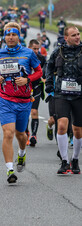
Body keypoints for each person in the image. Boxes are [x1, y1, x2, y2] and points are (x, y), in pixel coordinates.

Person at [0, 22, 42, 184]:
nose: (10, 37)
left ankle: (22, 153)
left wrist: (26, 79)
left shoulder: (28, 53)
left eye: (13, 34)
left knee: (20, 135)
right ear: (4, 36)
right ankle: (9, 169)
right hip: (6, 99)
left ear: (19, 36)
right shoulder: (0, 53)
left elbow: (39, 72)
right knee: (8, 133)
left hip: (23, 101)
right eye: (7, 34)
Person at [45, 25, 82, 175]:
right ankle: (64, 161)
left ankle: (75, 159)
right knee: (61, 125)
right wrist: (48, 83)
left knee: (78, 130)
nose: (77, 37)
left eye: (78, 34)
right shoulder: (57, 52)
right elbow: (49, 67)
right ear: (66, 38)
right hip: (61, 93)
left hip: (79, 95)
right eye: (73, 35)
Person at [26, 39, 46, 147]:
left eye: (38, 49)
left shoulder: (41, 59)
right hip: (25, 88)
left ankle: (33, 135)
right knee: (24, 112)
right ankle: (26, 133)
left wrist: (44, 78)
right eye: (34, 48)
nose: (36, 51)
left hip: (37, 87)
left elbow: (45, 70)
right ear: (29, 48)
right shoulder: (24, 57)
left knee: (34, 111)